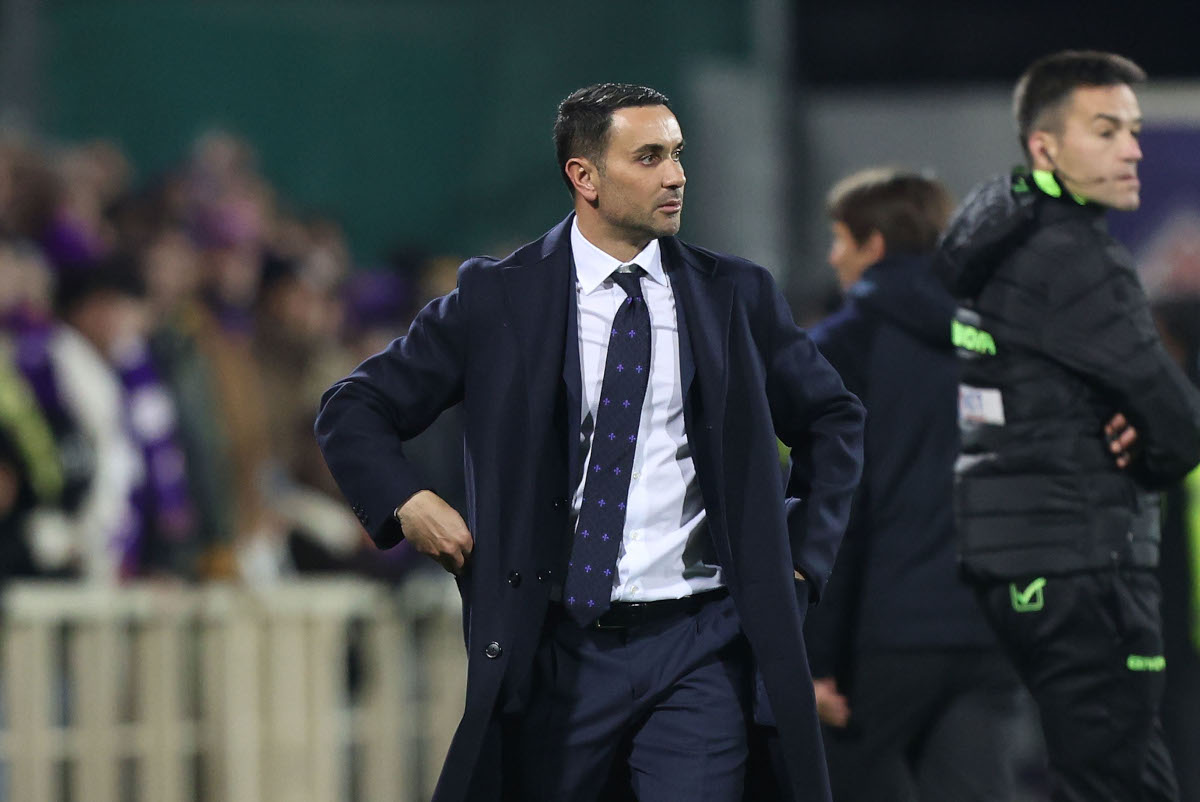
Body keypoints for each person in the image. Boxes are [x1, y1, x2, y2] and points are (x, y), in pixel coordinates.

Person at [315, 83, 865, 802]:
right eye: (649, 157)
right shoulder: (498, 297)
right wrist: (407, 500)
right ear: (585, 177)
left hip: (703, 643)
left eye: (677, 154)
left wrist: (798, 558)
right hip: (557, 649)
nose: (676, 175)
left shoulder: (736, 295)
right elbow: (353, 406)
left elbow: (834, 419)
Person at [935, 50, 1200, 801]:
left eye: (1135, 130)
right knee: (1120, 782)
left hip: (1017, 557)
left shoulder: (996, 241)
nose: (1133, 148)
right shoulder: (1079, 257)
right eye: (1107, 129)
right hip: (1083, 558)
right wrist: (1147, 449)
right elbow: (1181, 425)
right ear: (1044, 148)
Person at [803, 168, 1024, 801]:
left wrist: (814, 659)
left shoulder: (844, 345)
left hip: (884, 634)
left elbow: (835, 508)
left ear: (873, 244)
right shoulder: (998, 341)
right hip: (989, 628)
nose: (832, 257)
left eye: (840, 240)